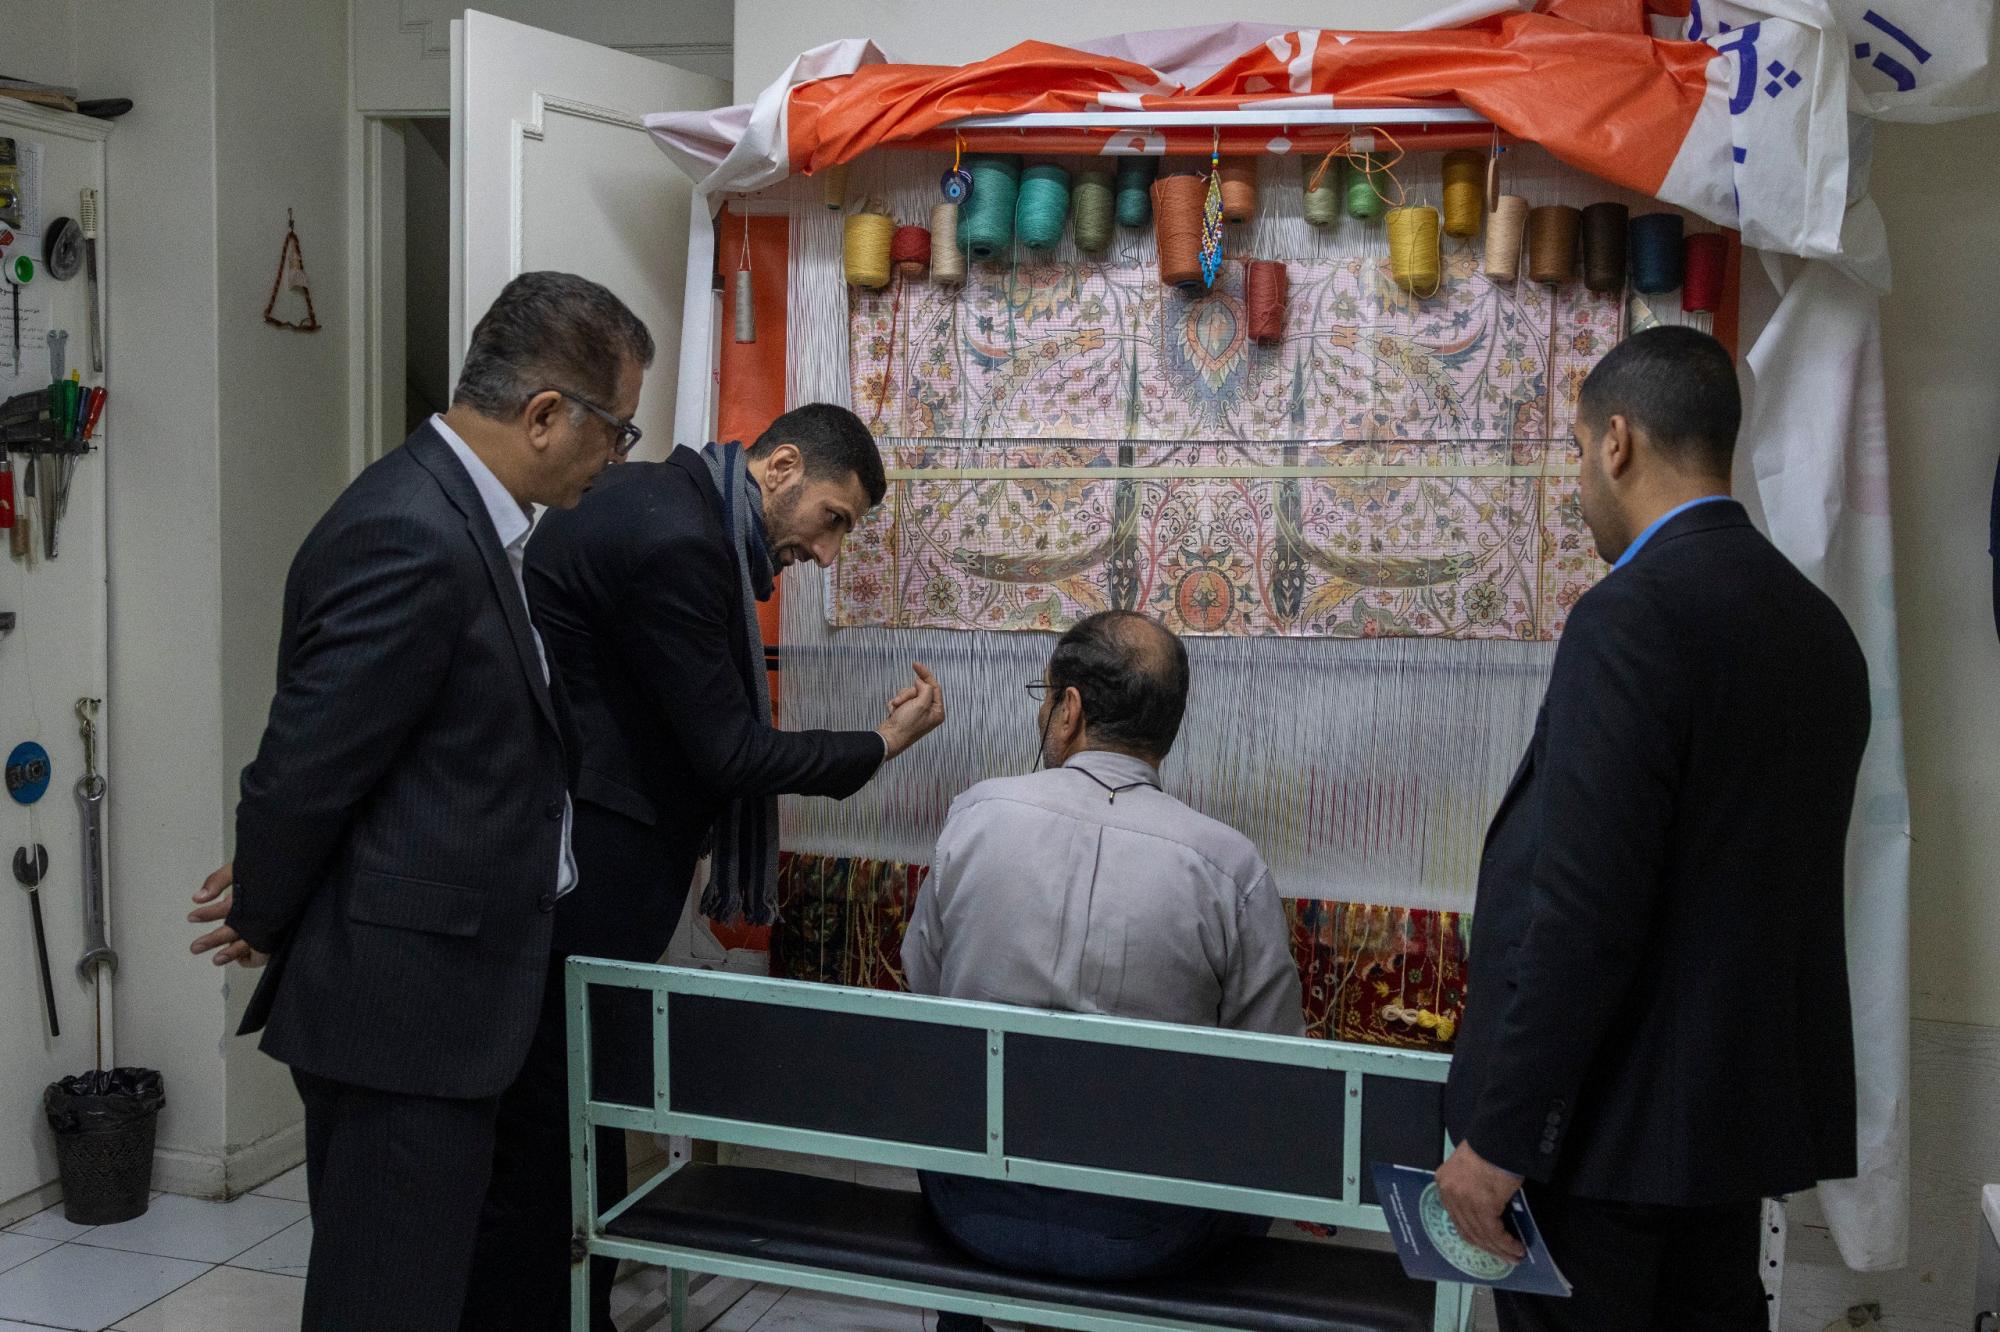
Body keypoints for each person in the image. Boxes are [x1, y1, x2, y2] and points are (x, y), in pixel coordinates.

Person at [184, 271, 653, 1331]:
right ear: (546, 415)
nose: (617, 458)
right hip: (401, 1012)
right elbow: (307, 764)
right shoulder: (412, 529)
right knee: (383, 1300)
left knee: (436, 1285)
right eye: (616, 430)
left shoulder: (473, 520)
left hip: (459, 995)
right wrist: (267, 904)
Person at [459, 402, 947, 1331]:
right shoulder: (680, 542)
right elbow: (728, 753)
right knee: (554, 1140)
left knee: (568, 1125)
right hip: (582, 881)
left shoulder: (666, 507)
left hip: (568, 865)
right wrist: (882, 744)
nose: (827, 553)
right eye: (833, 520)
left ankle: (572, 1311)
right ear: (781, 467)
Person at [1435, 326, 1871, 1329]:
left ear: (1616, 441)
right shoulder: (1819, 631)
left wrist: (1502, 1139)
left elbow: (1584, 909)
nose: (1579, 481)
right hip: (1723, 1143)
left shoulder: (1630, 617)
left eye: (1577, 451)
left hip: (1602, 1150)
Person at [901, 611, 1301, 1331]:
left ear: (1070, 709)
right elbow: (1271, 1073)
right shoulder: (1228, 867)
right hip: (1154, 1234)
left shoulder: (977, 816)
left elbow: (926, 989)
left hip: (975, 1206)